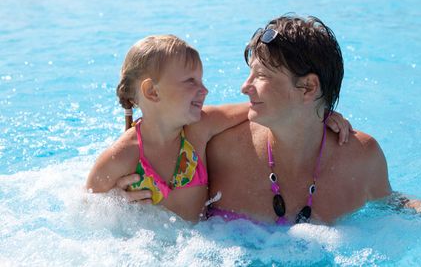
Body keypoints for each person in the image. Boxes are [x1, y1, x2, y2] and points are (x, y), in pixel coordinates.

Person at [203, 15, 421, 232]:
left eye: (260, 76)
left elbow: (393, 204)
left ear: (309, 87)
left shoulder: (360, 157)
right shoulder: (219, 148)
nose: (245, 87)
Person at [86, 34, 352, 221]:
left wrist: (318, 111)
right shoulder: (122, 157)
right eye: (190, 81)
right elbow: (84, 213)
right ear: (152, 91)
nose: (204, 90)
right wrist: (115, 207)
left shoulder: (198, 130)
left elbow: (265, 108)